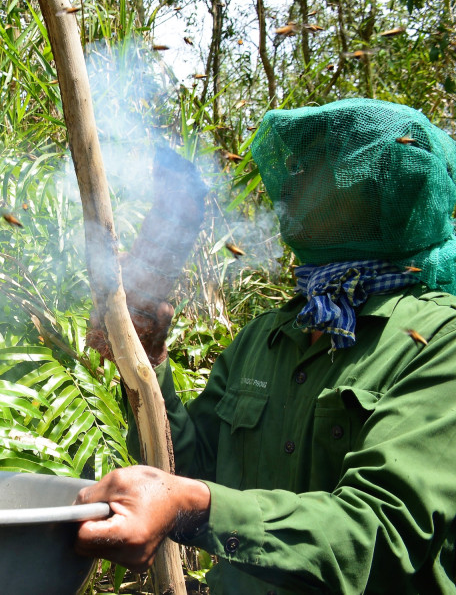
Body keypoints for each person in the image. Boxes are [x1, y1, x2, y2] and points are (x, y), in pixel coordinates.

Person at [76, 99, 456, 593]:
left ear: (371, 187)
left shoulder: (439, 341)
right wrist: (147, 361)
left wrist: (195, 506)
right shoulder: (269, 335)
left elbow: (383, 534)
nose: (289, 183)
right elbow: (187, 469)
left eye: (311, 167)